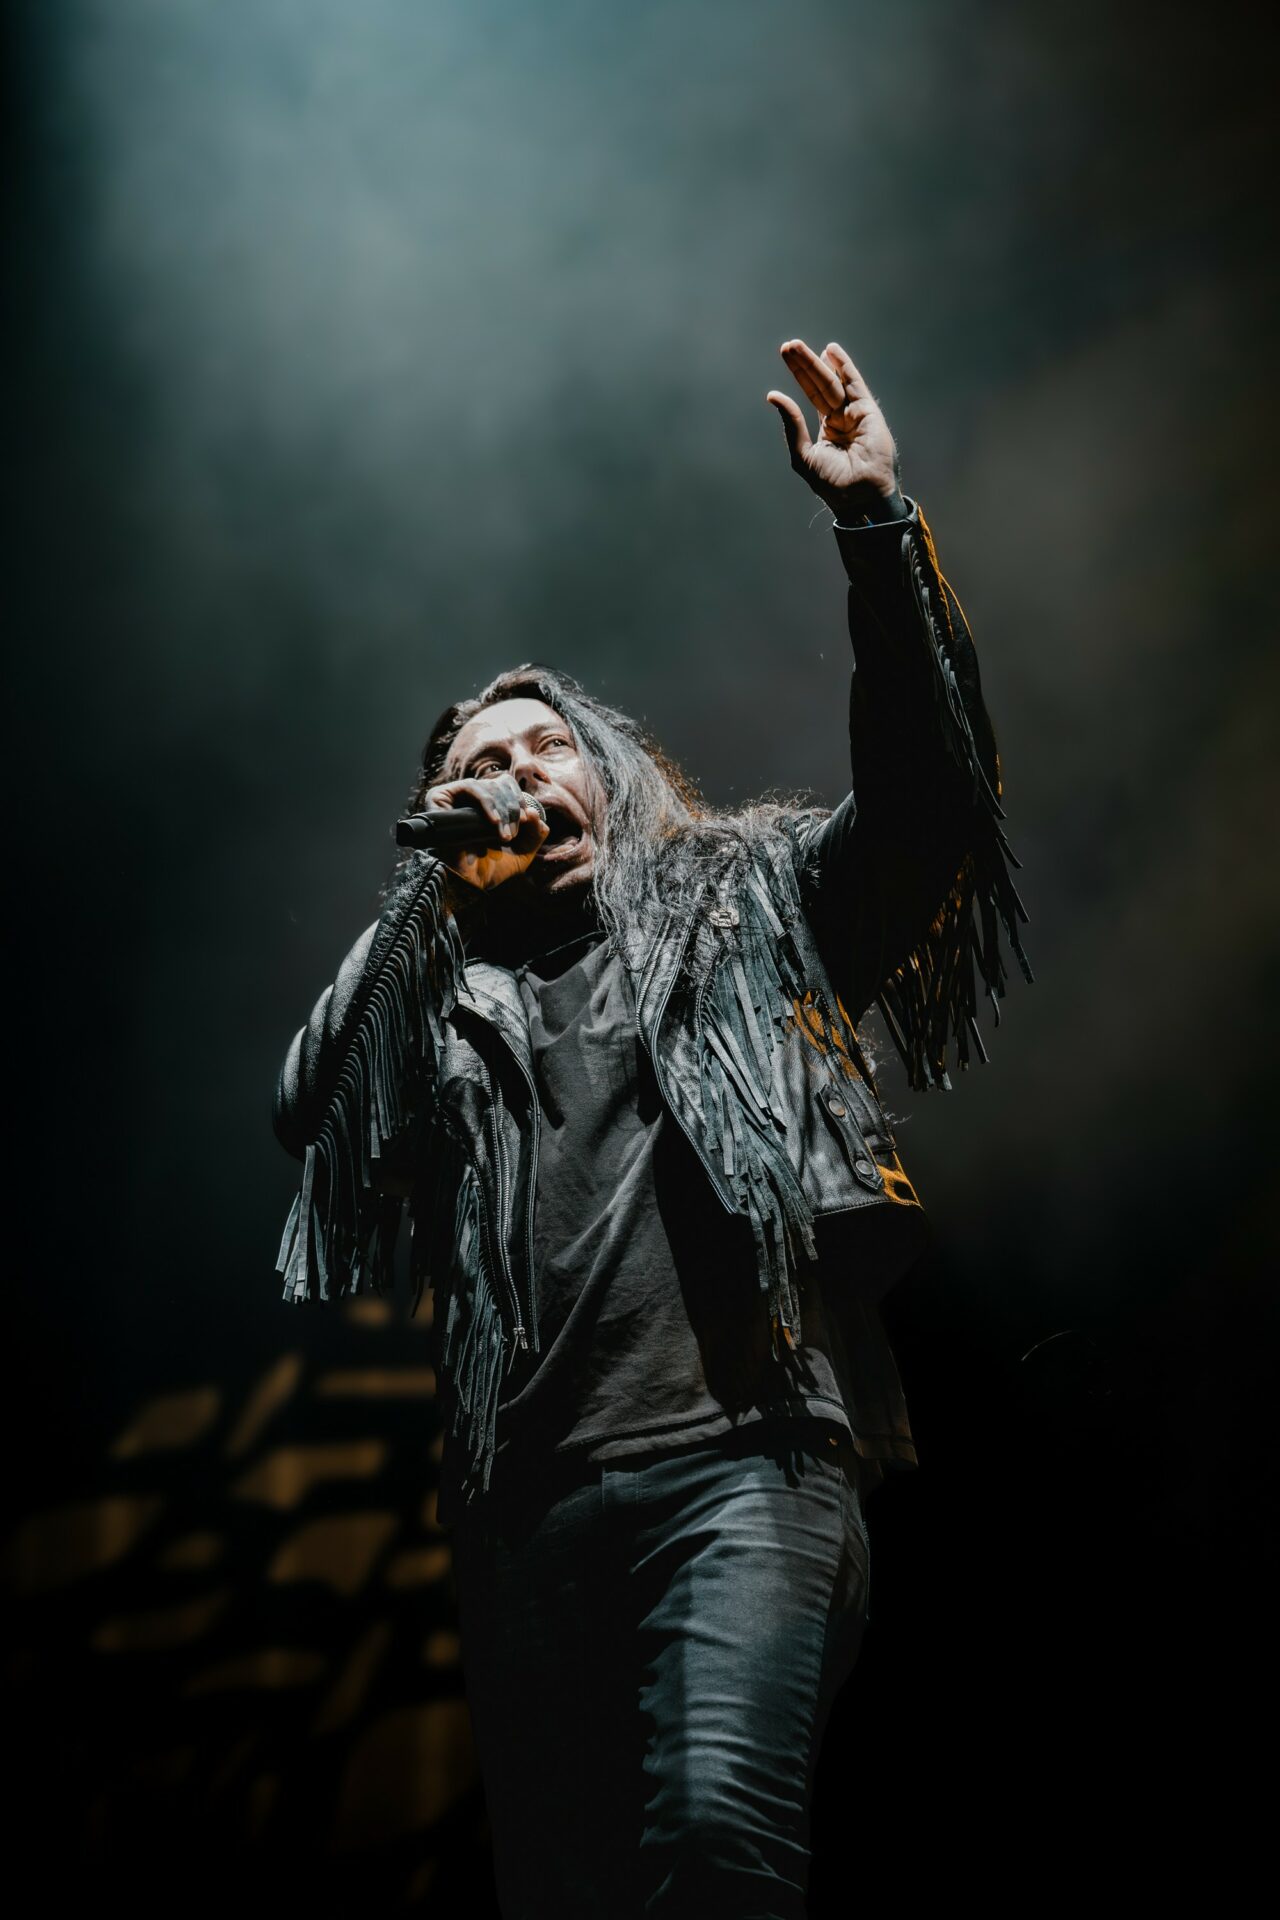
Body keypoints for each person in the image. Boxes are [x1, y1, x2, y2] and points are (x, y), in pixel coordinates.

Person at [271, 337, 1031, 1919]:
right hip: (522, 1511)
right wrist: (426, 891)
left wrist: (876, 528)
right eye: (478, 768)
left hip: (739, 1463)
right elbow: (311, 1107)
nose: (511, 776)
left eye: (542, 747)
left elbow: (930, 804)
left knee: (713, 1846)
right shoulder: (438, 999)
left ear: (609, 775)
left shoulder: (747, 899)